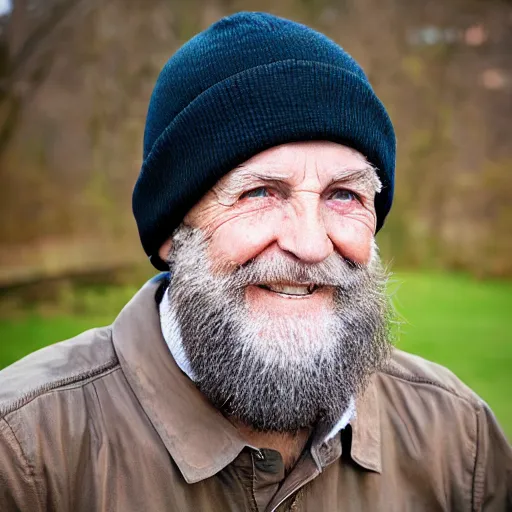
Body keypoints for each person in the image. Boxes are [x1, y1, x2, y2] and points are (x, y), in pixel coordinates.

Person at [0, 11, 510, 512]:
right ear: (172, 234)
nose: (310, 244)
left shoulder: (460, 443)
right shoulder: (25, 455)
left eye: (343, 195)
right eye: (260, 192)